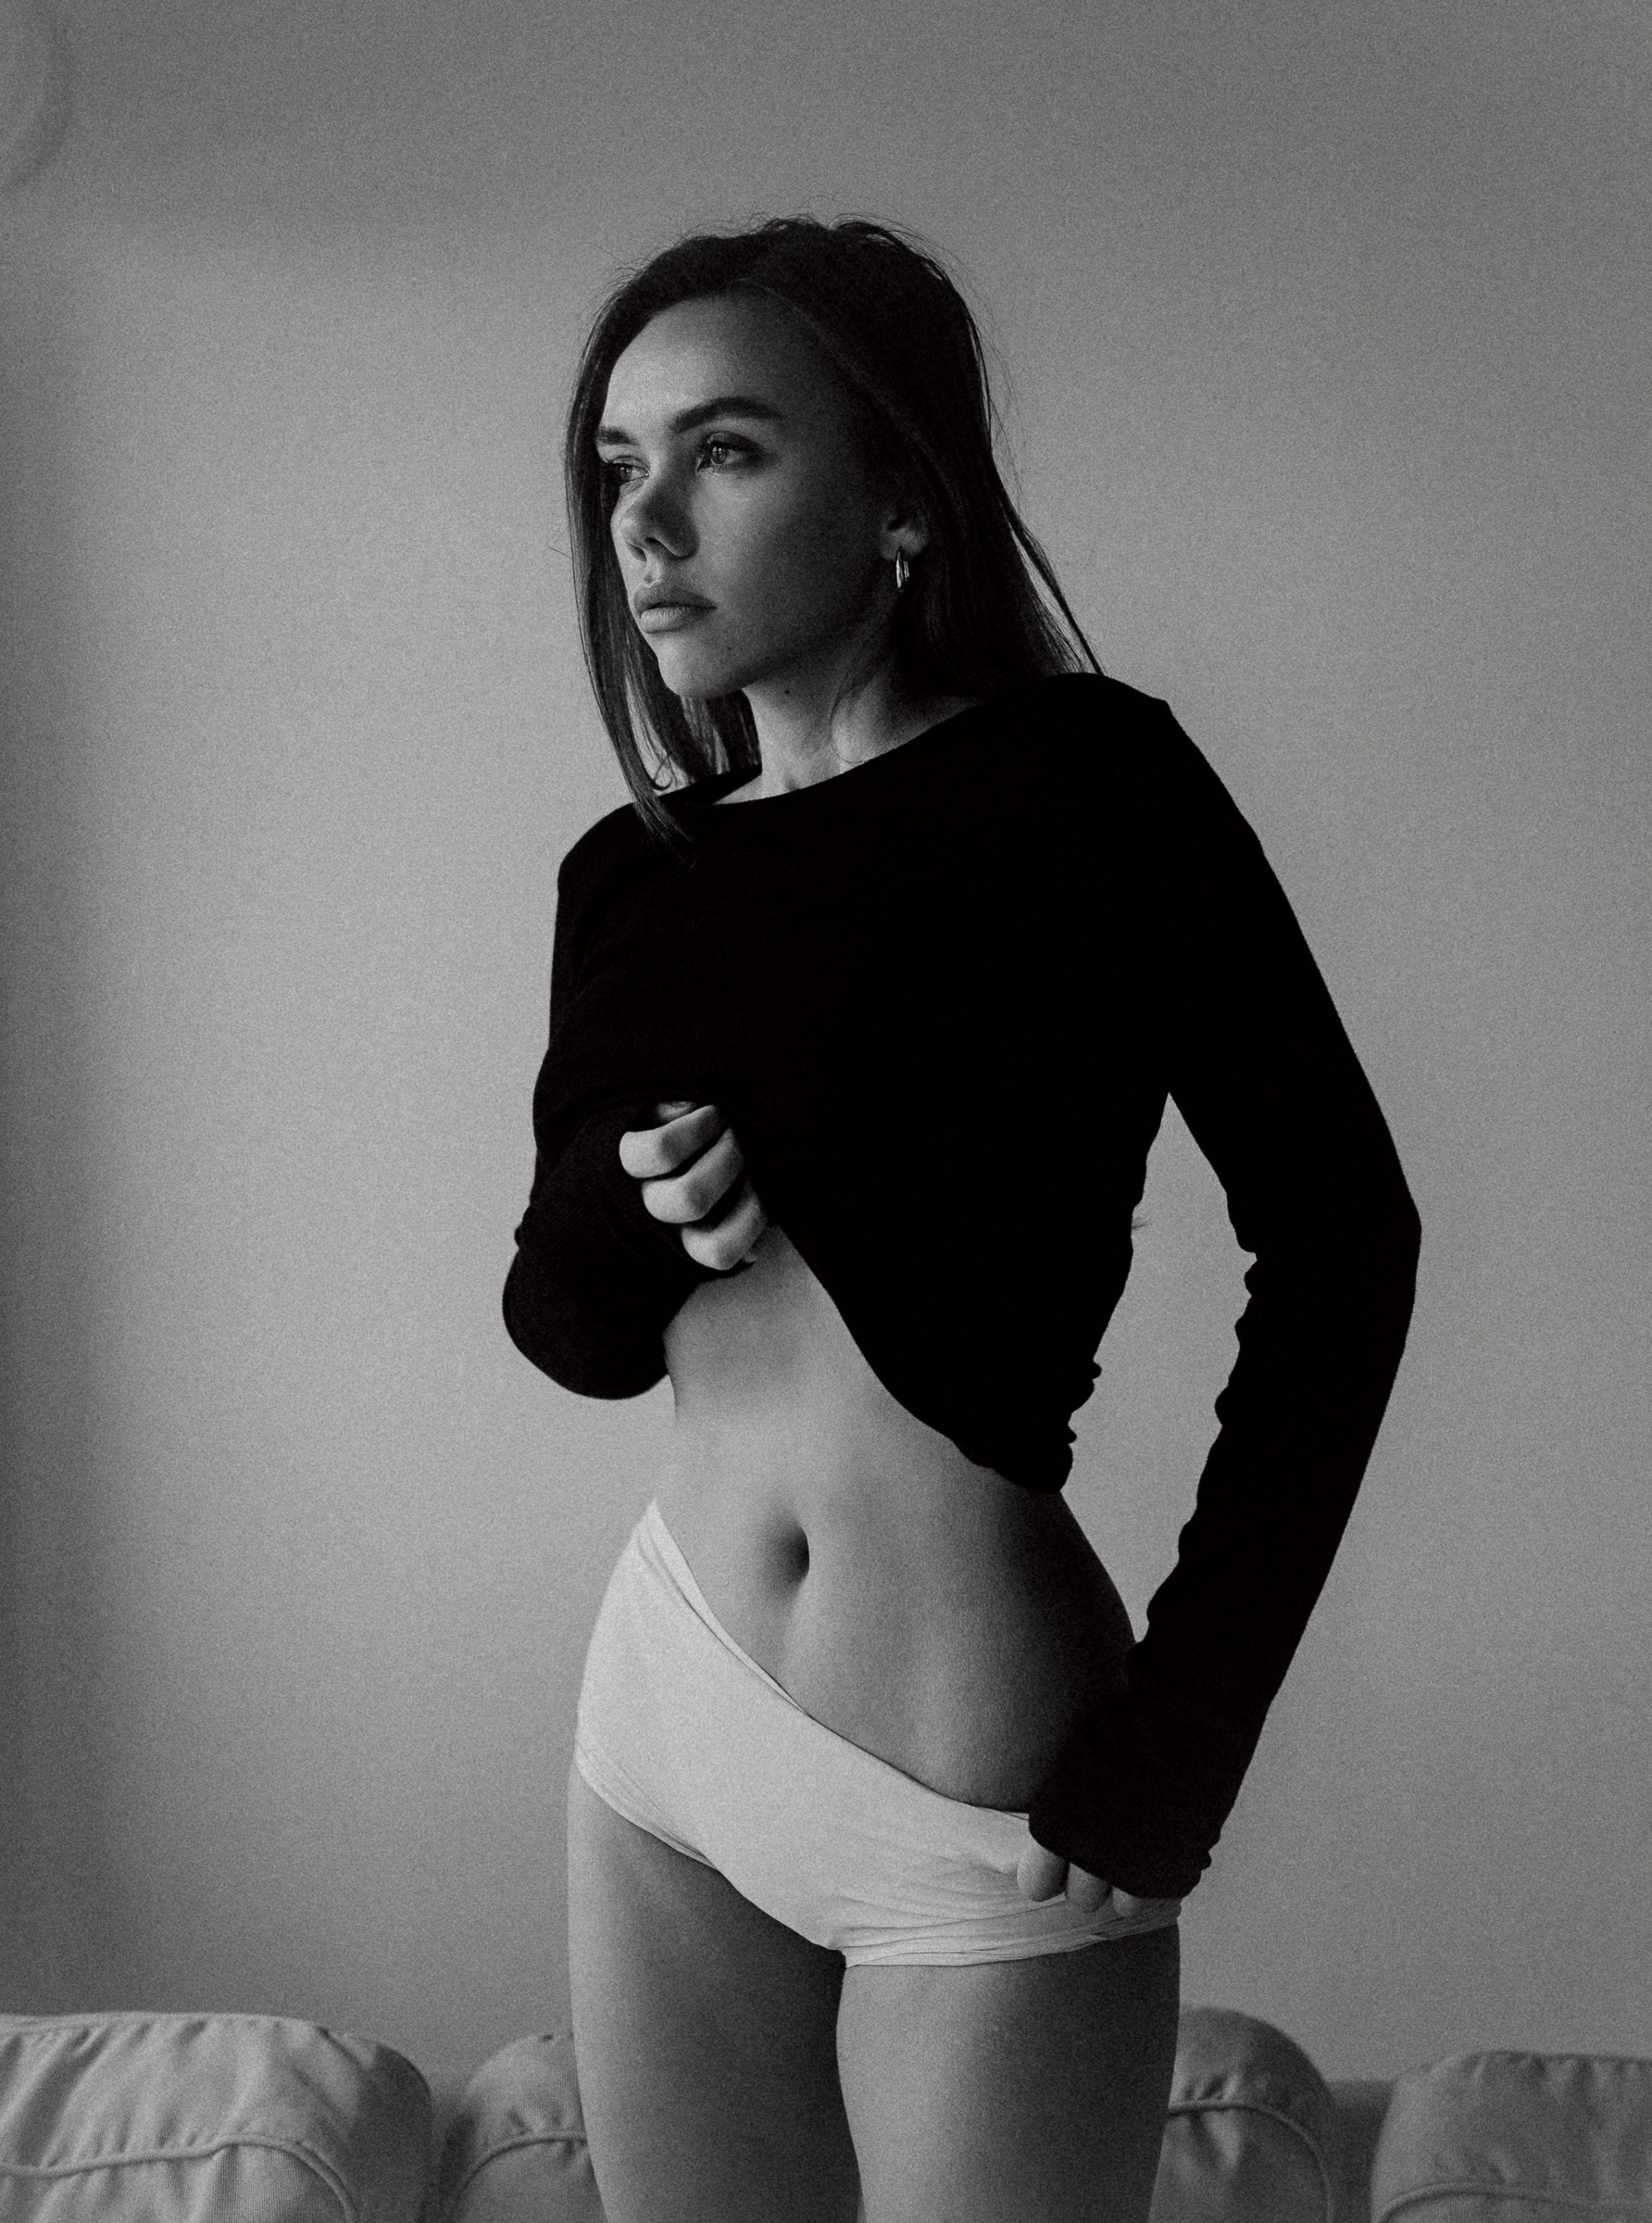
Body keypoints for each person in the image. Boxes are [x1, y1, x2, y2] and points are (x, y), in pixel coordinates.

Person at [503, 215, 1421, 2223]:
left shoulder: (1093, 787)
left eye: (724, 451)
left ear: (903, 497)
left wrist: (1190, 1731)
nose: (644, 522)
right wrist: (632, 1200)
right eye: (618, 466)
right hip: (665, 1735)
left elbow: (1347, 1236)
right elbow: (566, 1330)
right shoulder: (627, 876)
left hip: (978, 1783)